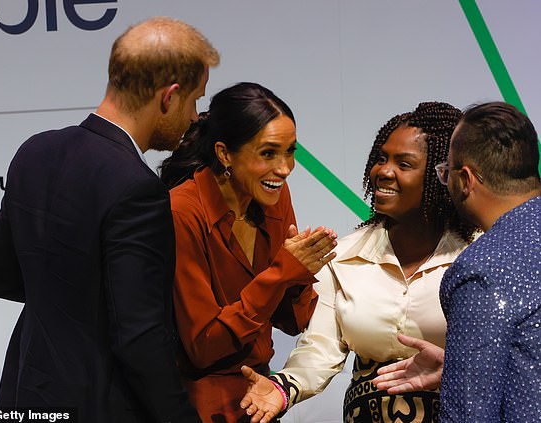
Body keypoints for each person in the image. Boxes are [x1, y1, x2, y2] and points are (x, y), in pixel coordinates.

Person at [0, 17, 219, 422]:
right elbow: (140, 339)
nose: (195, 117)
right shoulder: (137, 188)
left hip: (26, 397)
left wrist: (66, 302)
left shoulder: (35, 152)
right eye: (195, 100)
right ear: (168, 96)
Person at [240, 102, 476, 423]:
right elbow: (319, 349)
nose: (384, 171)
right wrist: (282, 388)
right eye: (381, 158)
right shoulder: (343, 257)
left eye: (404, 163)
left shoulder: (480, 256)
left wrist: (457, 370)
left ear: (441, 176)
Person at [158, 82, 338, 422]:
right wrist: (282, 273)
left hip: (259, 397)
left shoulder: (274, 196)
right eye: (268, 153)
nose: (284, 168)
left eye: (290, 151)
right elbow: (204, 347)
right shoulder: (182, 212)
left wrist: (299, 275)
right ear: (225, 154)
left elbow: (292, 320)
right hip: (196, 404)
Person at [376, 102, 541, 422]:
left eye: (445, 172)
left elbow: (468, 415)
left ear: (464, 179)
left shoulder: (481, 270)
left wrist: (466, 381)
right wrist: (462, 368)